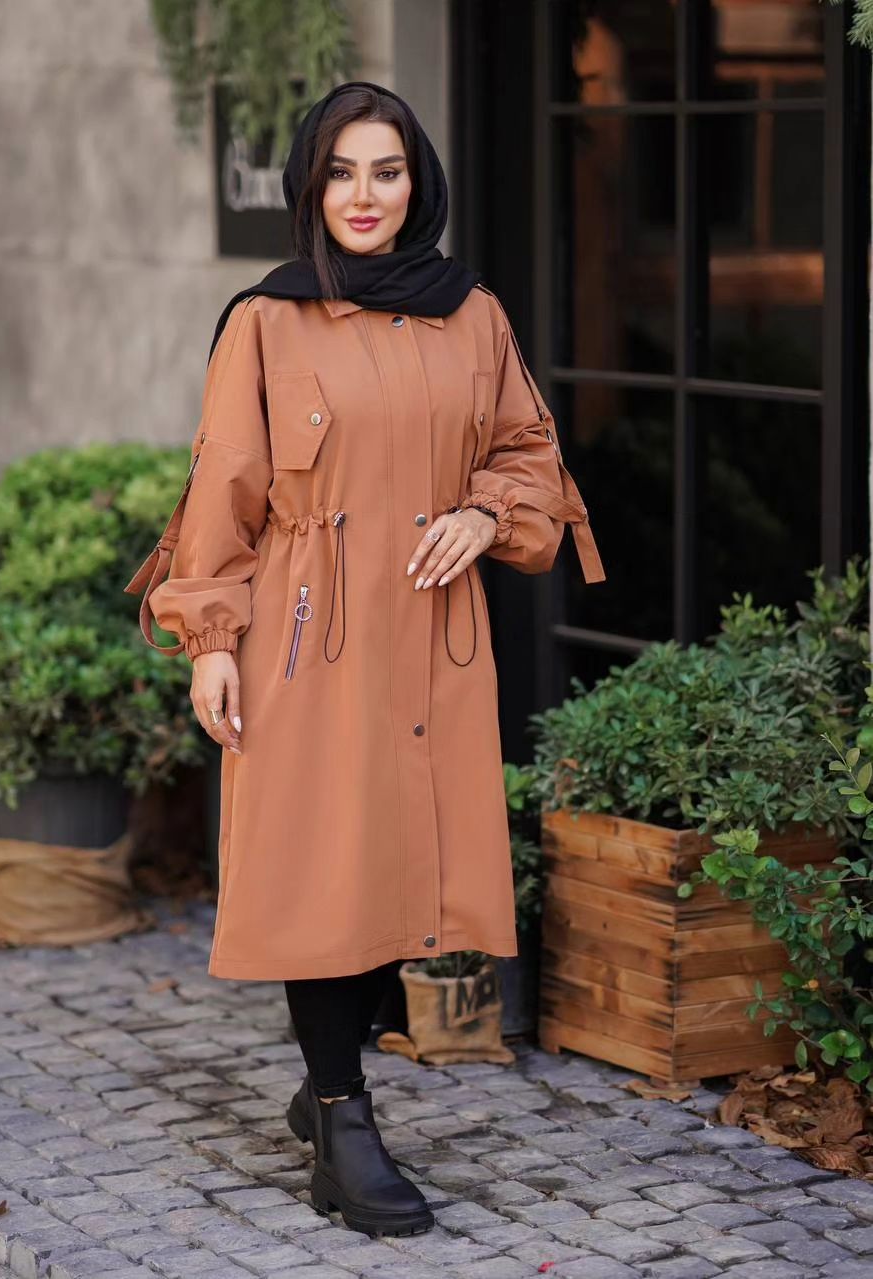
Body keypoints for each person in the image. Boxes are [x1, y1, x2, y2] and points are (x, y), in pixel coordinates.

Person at [126, 80, 605, 1238]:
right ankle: (342, 1120)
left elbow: (529, 451)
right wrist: (210, 643)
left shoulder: (472, 314)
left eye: (386, 171)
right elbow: (224, 490)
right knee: (321, 868)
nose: (364, 195)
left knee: (403, 862)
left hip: (432, 636)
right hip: (306, 632)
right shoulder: (267, 320)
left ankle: (323, 1073)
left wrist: (486, 513)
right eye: (341, 172)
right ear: (310, 184)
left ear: (416, 183)